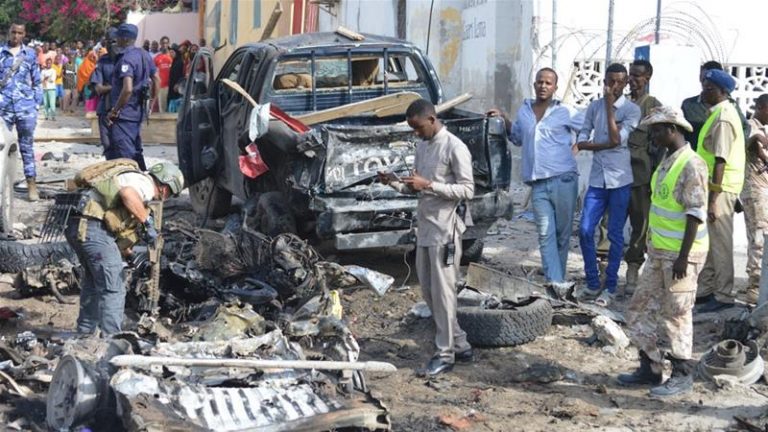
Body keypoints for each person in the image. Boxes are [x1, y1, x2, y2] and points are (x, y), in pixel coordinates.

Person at [379, 99, 475, 376]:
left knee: (444, 295)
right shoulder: (423, 146)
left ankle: (445, 355)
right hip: (425, 228)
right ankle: (460, 343)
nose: (416, 134)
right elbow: (416, 189)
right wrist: (394, 182)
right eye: (412, 129)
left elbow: (468, 190)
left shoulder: (455, 147)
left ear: (432, 120)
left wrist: (430, 184)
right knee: (430, 294)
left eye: (418, 128)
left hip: (445, 231)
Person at [618, 106, 709, 397]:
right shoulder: (668, 160)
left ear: (672, 129)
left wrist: (683, 257)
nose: (652, 136)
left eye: (656, 130)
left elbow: (695, 214)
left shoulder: (692, 164)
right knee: (641, 307)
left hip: (682, 257)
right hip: (659, 253)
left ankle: (682, 373)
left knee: (676, 315)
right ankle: (651, 368)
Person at [65, 160, 184, 335]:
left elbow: (115, 227)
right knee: (114, 287)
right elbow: (127, 194)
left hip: (77, 226)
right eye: (169, 194)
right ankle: (111, 340)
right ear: (165, 187)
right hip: (92, 228)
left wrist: (128, 254)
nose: (165, 198)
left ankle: (84, 335)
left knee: (93, 282)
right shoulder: (145, 184)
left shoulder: (129, 177)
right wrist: (147, 222)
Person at [487, 68, 581, 289]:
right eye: (540, 82)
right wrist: (505, 119)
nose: (543, 86)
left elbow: (587, 128)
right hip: (538, 183)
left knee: (562, 234)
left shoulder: (566, 111)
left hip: (564, 179)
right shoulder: (525, 110)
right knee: (545, 233)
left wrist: (580, 144)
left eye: (548, 83)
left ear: (555, 88)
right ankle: (555, 283)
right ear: (534, 84)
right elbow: (518, 138)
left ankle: (558, 278)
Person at [575, 63, 641, 307]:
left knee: (614, 235)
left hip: (620, 179)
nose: (614, 86)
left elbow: (615, 140)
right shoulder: (593, 106)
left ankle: (611, 286)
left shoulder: (632, 110)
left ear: (625, 84)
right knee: (584, 229)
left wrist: (589, 145)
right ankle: (592, 282)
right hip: (597, 179)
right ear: (604, 81)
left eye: (619, 82)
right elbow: (583, 133)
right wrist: (584, 141)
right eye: (610, 81)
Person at [695, 69, 745, 313]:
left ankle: (723, 295)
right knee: (709, 241)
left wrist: (714, 198)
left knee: (721, 244)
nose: (705, 91)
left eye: (710, 88)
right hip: (714, 188)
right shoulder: (717, 113)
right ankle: (706, 290)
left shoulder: (724, 117)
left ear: (723, 92)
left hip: (721, 189)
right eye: (704, 86)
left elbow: (720, 160)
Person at [624, 59, 663, 293]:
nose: (632, 80)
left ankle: (632, 268)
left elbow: (659, 146)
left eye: (637, 76)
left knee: (640, 225)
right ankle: (604, 268)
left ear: (647, 78)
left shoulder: (652, 107)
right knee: (609, 223)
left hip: (640, 176)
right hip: (616, 174)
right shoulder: (623, 104)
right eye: (631, 75)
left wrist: (654, 179)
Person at [107, 23, 159, 170]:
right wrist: (152, 102)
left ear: (123, 39)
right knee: (136, 151)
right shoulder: (144, 54)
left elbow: (127, 89)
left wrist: (115, 110)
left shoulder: (125, 59)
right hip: (138, 112)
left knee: (125, 155)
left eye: (118, 38)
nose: (116, 40)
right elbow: (157, 79)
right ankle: (146, 183)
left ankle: (133, 186)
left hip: (124, 115)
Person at [0, 22, 42, 201]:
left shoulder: (30, 55)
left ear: (24, 34)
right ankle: (3, 185)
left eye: (19, 33)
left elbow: (37, 81)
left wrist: (36, 104)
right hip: (4, 109)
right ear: (9, 33)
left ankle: (31, 184)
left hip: (25, 109)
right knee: (2, 148)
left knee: (26, 146)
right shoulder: (1, 54)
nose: (16, 36)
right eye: (13, 32)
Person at [681, 61, 747, 150]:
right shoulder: (688, 105)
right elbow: (682, 132)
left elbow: (745, 128)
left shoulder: (730, 108)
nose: (705, 83)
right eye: (703, 78)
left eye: (711, 83)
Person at [740, 94, 768, 304]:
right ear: (761, 107)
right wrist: (756, 140)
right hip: (755, 190)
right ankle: (755, 286)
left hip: (764, 189)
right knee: (758, 238)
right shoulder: (750, 126)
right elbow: (747, 144)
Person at [90, 28, 118, 156]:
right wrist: (116, 87)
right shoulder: (102, 61)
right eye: (108, 42)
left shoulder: (127, 59)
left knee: (123, 145)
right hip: (105, 109)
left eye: (114, 41)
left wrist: (109, 86)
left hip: (124, 111)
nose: (111, 45)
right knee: (107, 145)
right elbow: (98, 88)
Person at [153, 47, 172, 112]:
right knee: (162, 105)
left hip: (168, 84)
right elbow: (153, 69)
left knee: (166, 104)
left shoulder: (170, 58)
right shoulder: (157, 58)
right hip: (161, 84)